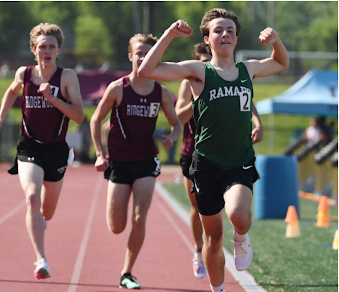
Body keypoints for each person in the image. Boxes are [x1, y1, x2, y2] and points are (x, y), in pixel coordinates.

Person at [139, 8, 289, 292]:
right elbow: (147, 70)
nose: (225, 35)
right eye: (218, 30)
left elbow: (281, 63)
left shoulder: (249, 69)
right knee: (213, 238)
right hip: (206, 164)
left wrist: (276, 40)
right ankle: (217, 288)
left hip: (239, 160)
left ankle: (242, 238)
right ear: (207, 39)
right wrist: (169, 34)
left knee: (238, 216)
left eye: (230, 31)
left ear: (236, 39)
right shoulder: (198, 71)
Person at [0, 23, 84, 280]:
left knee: (47, 211)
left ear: (59, 50)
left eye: (52, 46)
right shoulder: (25, 74)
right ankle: (41, 259)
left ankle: (42, 222)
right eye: (42, 46)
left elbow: (78, 116)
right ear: (34, 50)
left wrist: (53, 98)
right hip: (29, 146)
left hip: (56, 149)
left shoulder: (66, 77)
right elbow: (11, 92)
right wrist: (0, 118)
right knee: (32, 197)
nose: (47, 50)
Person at [90, 33, 182, 289]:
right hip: (119, 162)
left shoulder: (161, 92)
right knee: (117, 227)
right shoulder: (118, 88)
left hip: (146, 161)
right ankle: (125, 265)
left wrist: (171, 138)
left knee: (140, 218)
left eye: (148, 53)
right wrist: (99, 153)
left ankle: (127, 273)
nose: (143, 57)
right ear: (131, 56)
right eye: (138, 53)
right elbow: (96, 119)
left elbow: (176, 125)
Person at [175, 42, 264, 279]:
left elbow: (243, 100)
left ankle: (238, 237)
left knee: (235, 210)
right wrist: (201, 97)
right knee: (198, 209)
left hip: (232, 155)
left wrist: (257, 122)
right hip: (194, 152)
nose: (207, 63)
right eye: (202, 59)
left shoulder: (231, 75)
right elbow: (178, 116)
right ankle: (198, 249)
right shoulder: (191, 80)